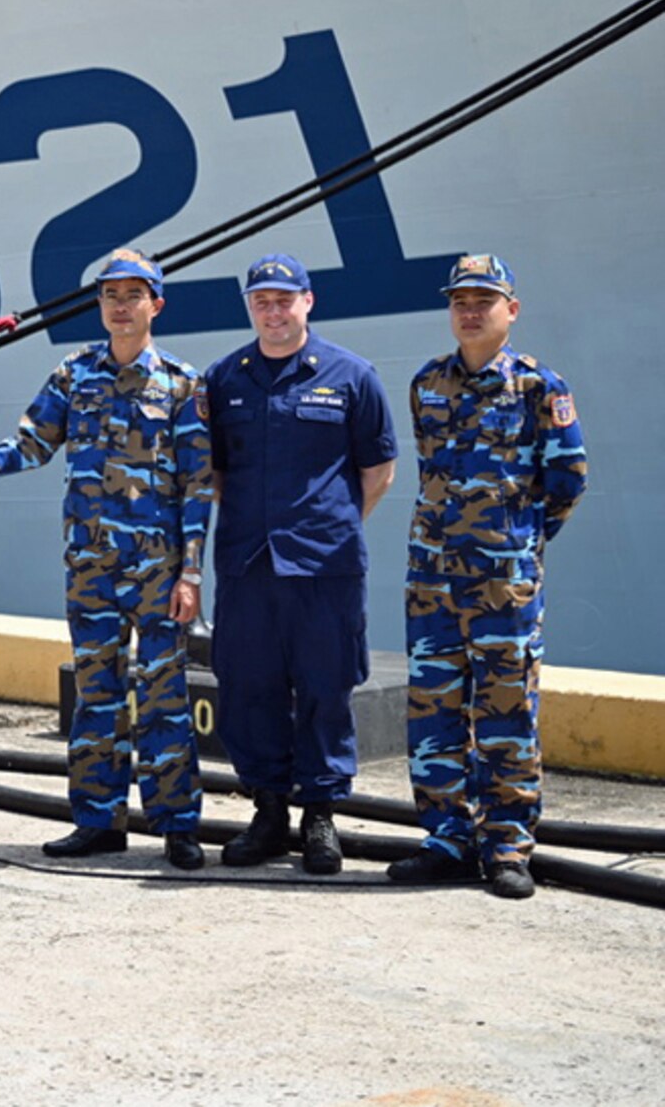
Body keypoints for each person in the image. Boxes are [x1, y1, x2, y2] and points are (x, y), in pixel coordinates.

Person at [0, 251, 211, 869]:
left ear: (155, 305)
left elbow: (199, 485)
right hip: (90, 567)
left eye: (133, 294)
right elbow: (30, 443)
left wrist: (191, 571)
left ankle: (178, 825)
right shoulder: (75, 374)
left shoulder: (184, 385)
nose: (120, 305)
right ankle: (98, 821)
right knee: (96, 694)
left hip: (157, 571)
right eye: (111, 295)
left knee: (163, 695)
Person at [390, 255, 586, 901]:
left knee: (505, 714)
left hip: (504, 585)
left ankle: (506, 845)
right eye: (460, 301)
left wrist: (517, 541)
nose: (470, 311)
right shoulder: (427, 383)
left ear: (511, 308)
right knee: (434, 712)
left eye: (484, 300)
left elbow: (566, 481)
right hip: (433, 579)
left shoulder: (538, 387)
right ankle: (446, 840)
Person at [204, 253, 396, 875]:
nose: (274, 310)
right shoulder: (223, 379)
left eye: (285, 299)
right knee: (248, 687)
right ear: (250, 308)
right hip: (248, 565)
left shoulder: (352, 376)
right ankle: (267, 812)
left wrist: (325, 526)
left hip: (325, 565)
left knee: (325, 687)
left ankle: (320, 816)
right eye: (262, 301)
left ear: (307, 302)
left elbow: (377, 471)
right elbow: (216, 474)